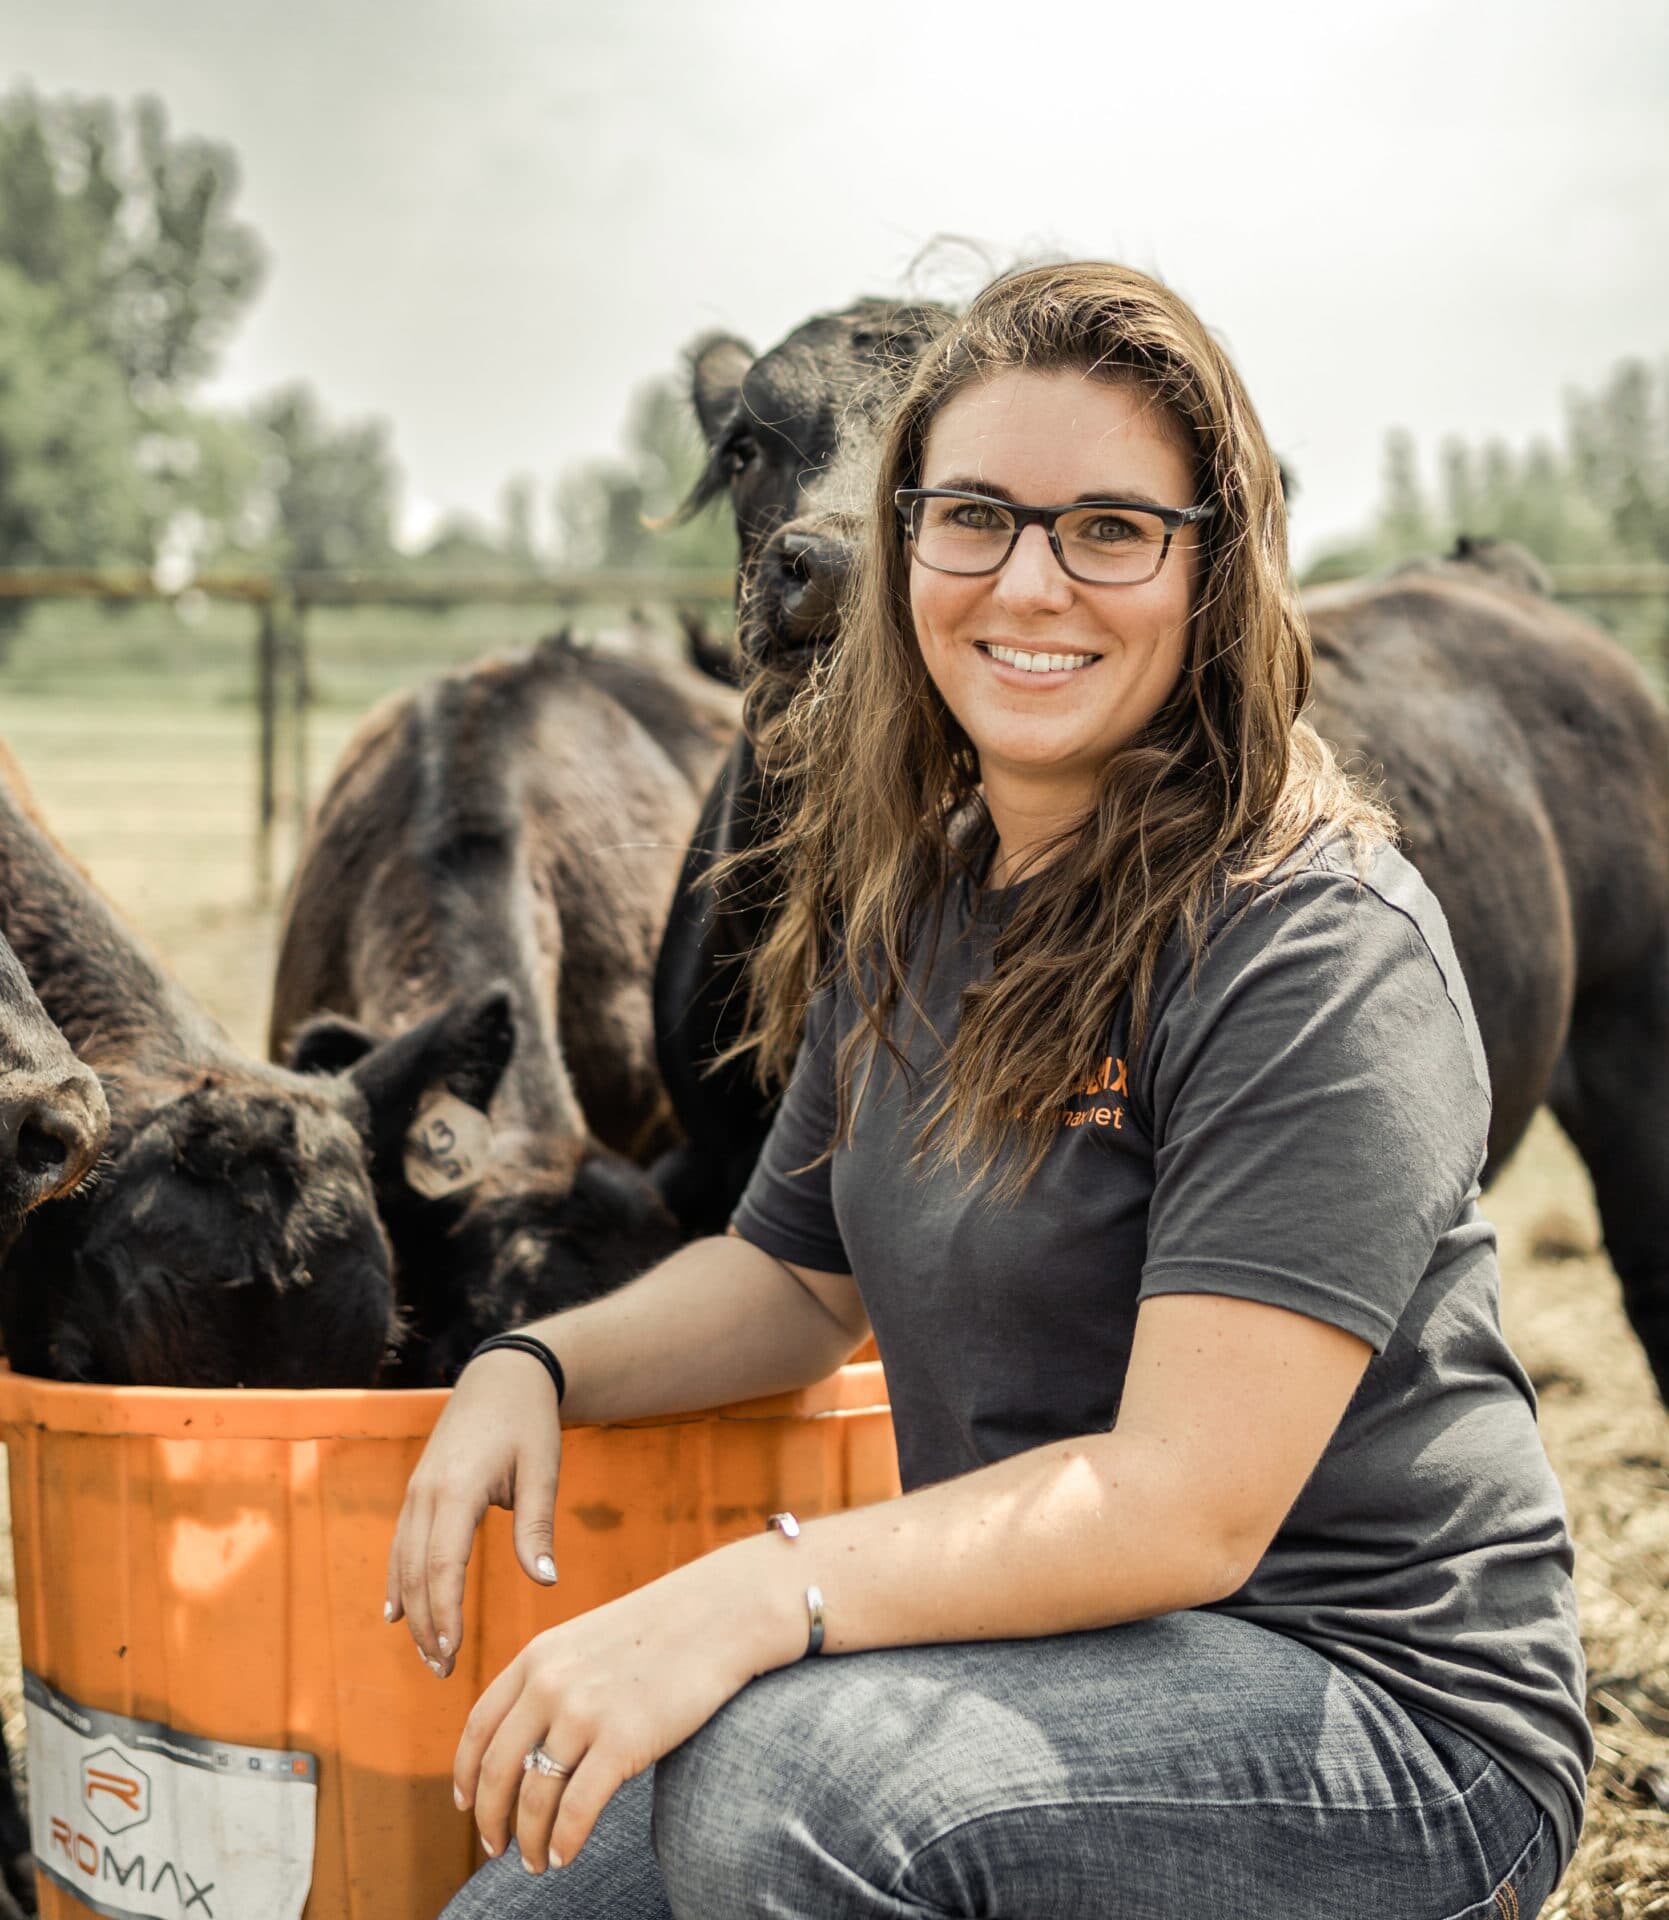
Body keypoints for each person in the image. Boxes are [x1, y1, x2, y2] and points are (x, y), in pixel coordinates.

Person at [392, 260, 1594, 1920]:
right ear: (904, 555)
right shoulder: (922, 897)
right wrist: (533, 1365)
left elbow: (1181, 1508)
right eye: (975, 518)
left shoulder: (1314, 947)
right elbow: (793, 1283)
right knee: (521, 1896)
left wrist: (752, 1595)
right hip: (1055, 1651)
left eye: (1109, 528)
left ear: (1215, 572)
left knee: (783, 1788)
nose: (1030, 583)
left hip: (1378, 1714)